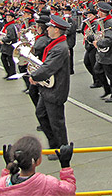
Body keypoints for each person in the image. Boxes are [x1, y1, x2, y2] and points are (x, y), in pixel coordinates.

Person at [30, 14, 71, 156]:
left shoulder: (60, 48)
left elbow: (48, 68)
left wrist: (34, 76)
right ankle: (53, 144)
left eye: (51, 27)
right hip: (48, 88)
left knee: (57, 123)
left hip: (56, 90)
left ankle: (62, 150)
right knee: (41, 114)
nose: (48, 29)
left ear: (57, 30)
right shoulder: (54, 43)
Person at [0, 136, 75, 195]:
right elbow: (69, 191)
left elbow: (3, 189)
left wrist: (8, 169)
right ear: (38, 161)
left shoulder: (2, 183)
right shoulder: (48, 183)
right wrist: (65, 166)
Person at [93, 2, 112, 103]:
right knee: (97, 70)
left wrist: (98, 42)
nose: (98, 12)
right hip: (104, 53)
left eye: (99, 11)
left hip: (110, 53)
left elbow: (109, 39)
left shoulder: (109, 23)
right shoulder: (105, 21)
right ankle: (108, 89)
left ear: (102, 13)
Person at [0, 10, 18, 79]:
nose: (7, 18)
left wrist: (3, 39)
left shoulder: (11, 26)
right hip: (6, 45)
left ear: (12, 18)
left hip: (9, 46)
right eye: (7, 17)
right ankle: (9, 73)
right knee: (4, 58)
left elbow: (11, 37)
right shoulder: (7, 25)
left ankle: (12, 73)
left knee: (9, 60)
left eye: (9, 17)